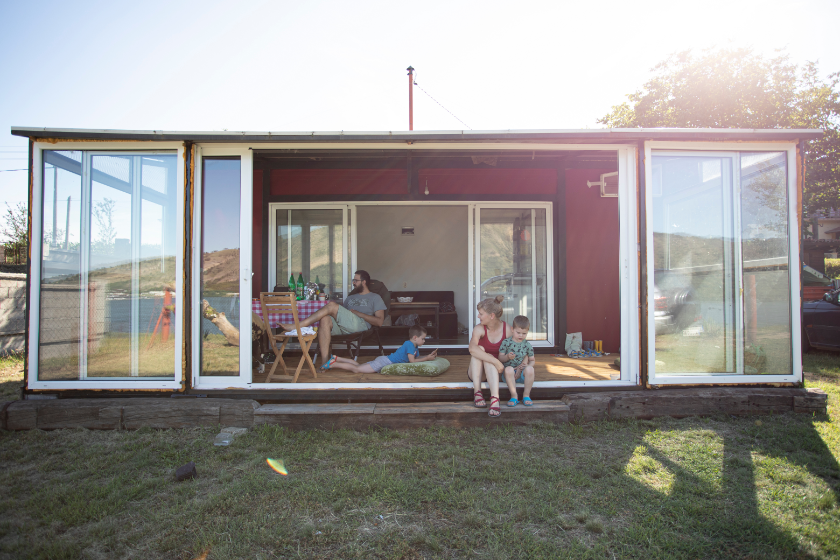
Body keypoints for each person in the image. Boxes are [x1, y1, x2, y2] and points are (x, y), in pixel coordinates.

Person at [278, 270, 386, 366]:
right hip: (345, 325)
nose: (353, 283)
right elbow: (341, 315)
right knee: (324, 319)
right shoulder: (350, 298)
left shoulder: (375, 298)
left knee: (331, 305)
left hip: (360, 325)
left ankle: (297, 326)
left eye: (355, 280)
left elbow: (379, 322)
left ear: (364, 282)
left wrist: (359, 314)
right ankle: (326, 363)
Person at [325, 325, 437, 373]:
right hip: (384, 362)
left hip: (384, 360)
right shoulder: (409, 345)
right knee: (357, 370)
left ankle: (336, 358)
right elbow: (412, 362)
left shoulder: (415, 347)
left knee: (358, 365)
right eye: (423, 339)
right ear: (415, 337)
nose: (424, 341)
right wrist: (426, 358)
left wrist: (428, 357)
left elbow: (415, 359)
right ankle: (333, 364)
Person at [468, 295, 509, 418]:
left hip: (495, 373)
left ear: (491, 316)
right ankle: (477, 392)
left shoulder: (507, 329)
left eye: (481, 314)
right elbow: (472, 348)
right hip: (478, 373)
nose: (478, 316)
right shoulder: (479, 329)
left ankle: (495, 399)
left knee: (487, 356)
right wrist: (495, 361)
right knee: (479, 350)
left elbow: (518, 348)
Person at [498, 315, 536, 407]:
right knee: (509, 369)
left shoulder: (528, 345)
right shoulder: (506, 343)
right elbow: (500, 358)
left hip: (522, 374)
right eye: (518, 332)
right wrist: (507, 357)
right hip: (509, 375)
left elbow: (532, 360)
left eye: (524, 333)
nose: (520, 335)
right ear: (512, 329)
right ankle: (514, 396)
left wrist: (528, 366)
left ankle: (526, 395)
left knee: (530, 369)